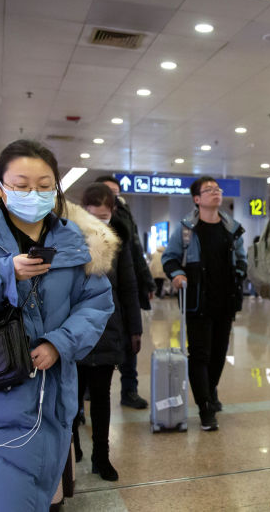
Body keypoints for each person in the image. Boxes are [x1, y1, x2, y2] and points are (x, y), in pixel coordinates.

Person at [0, 140, 115, 511]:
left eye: (44, 186)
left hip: (54, 400)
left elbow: (97, 302)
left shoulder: (73, 241)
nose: (34, 194)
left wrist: (60, 342)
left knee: (44, 495)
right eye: (22, 185)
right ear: (0, 188)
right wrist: (3, 273)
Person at [162, 176, 247, 431]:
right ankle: (205, 408)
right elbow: (169, 258)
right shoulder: (186, 229)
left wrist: (239, 273)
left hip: (226, 302)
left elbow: (242, 259)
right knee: (200, 354)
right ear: (197, 199)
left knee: (219, 354)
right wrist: (177, 274)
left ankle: (210, 391)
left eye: (217, 189)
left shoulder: (232, 228)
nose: (215, 192)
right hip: (198, 302)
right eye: (208, 190)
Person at [71, 183, 142, 481]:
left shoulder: (118, 241)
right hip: (73, 329)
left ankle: (101, 455)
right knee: (71, 398)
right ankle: (71, 448)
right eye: (94, 216)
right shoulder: (68, 237)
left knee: (101, 396)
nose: (100, 222)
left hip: (107, 326)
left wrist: (134, 329)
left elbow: (128, 285)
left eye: (105, 216)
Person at [96, 175, 153, 410]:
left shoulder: (124, 219)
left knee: (131, 341)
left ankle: (129, 390)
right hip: (98, 294)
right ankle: (89, 391)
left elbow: (136, 250)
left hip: (125, 286)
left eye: (116, 192)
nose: (113, 196)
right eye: (108, 191)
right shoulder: (85, 225)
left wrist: (147, 281)